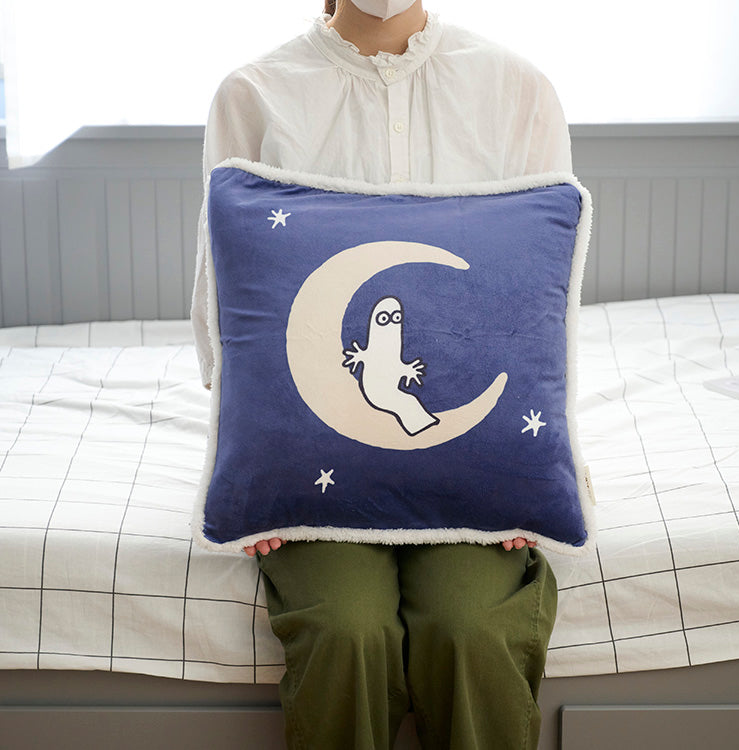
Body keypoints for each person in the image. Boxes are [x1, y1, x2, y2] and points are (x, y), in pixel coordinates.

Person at [191, 1, 571, 747]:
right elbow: (224, 305)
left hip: (476, 461)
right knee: (346, 628)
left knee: (471, 627)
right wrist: (255, 474)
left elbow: (544, 307)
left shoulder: (516, 88)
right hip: (313, 455)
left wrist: (529, 474)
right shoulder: (255, 93)